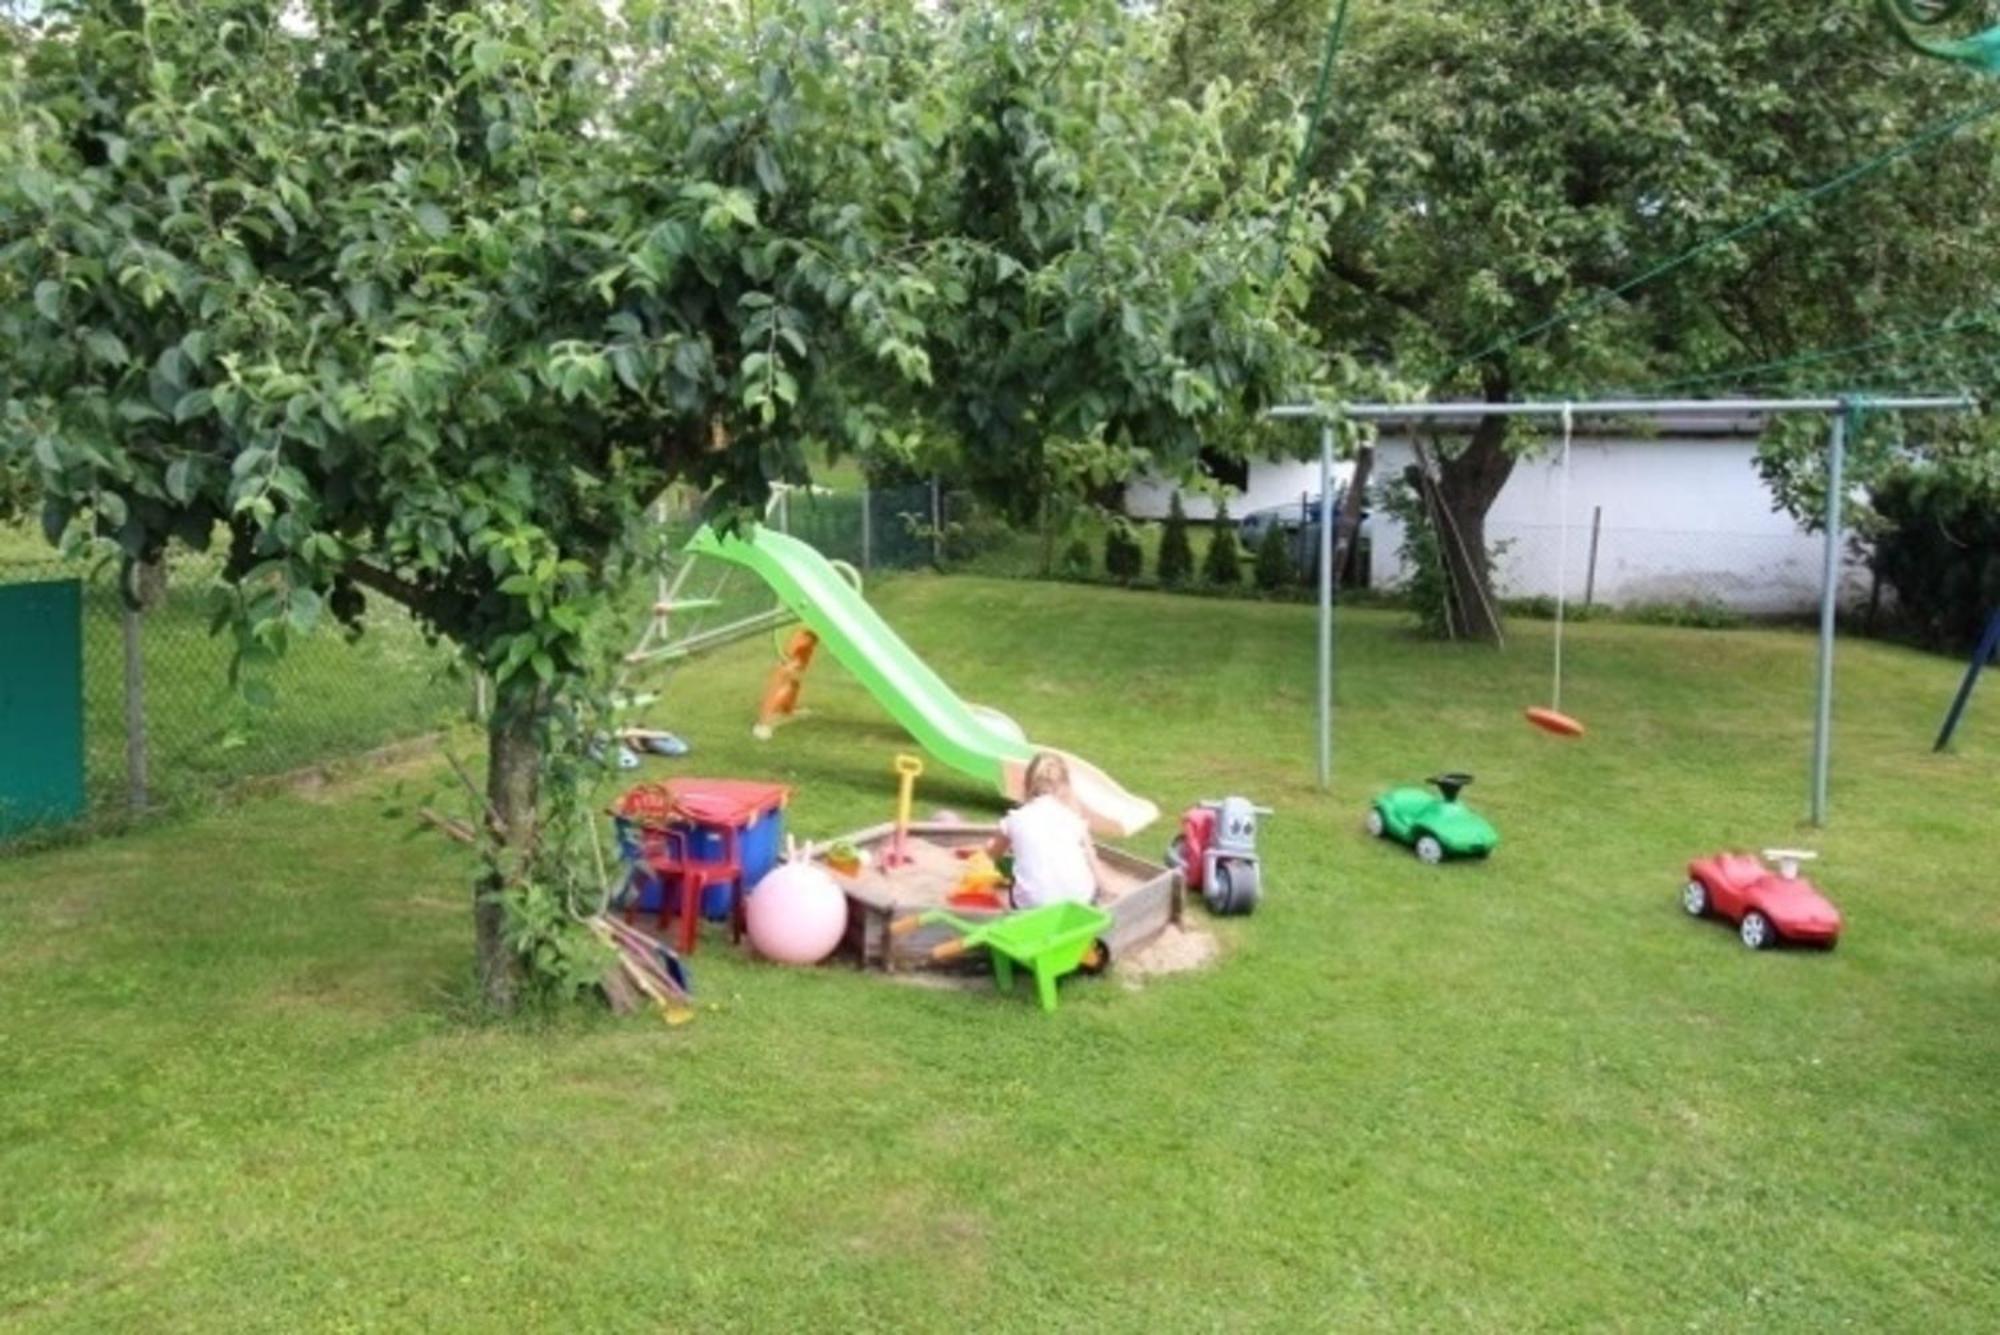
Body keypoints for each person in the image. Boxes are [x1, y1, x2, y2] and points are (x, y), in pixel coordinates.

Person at [989, 752, 1106, 909]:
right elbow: (1095, 867)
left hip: (1033, 907)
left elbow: (991, 856)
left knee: (1011, 887)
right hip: (1079, 902)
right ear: (1065, 786)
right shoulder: (1073, 820)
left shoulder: (1014, 819)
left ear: (1027, 784)